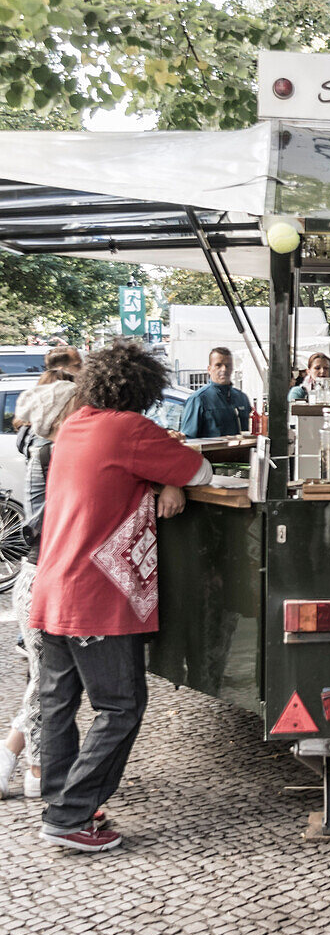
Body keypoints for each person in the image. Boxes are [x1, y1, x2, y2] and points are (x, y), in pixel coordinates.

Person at [29, 341, 213, 852]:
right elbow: (200, 472)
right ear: (143, 389)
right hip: (97, 595)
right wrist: (165, 479)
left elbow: (109, 479)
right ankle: (69, 816)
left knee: (58, 704)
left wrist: (155, 480)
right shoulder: (130, 429)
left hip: (53, 587)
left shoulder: (75, 425)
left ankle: (62, 804)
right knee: (121, 705)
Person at [0, 376, 80, 801]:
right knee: (48, 682)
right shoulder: (53, 450)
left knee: (47, 678)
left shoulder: (45, 447)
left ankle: (18, 759)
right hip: (43, 573)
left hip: (40, 573)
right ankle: (32, 766)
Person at [180, 347, 251, 438]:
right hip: (212, 452)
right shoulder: (198, 400)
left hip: (242, 451)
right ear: (209, 369)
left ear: (232, 369)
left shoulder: (242, 398)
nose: (224, 369)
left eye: (228, 365)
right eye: (218, 365)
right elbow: (188, 439)